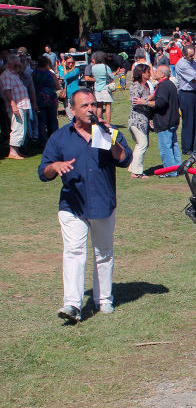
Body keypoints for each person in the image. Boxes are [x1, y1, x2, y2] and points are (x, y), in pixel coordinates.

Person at [38, 88, 133, 322]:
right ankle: (72, 304)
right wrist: (55, 167)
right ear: (72, 110)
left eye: (94, 104)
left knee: (103, 253)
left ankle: (104, 299)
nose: (91, 109)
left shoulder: (106, 131)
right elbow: (43, 171)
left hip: (102, 203)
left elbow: (125, 159)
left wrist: (110, 138)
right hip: (72, 205)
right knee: (74, 252)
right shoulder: (60, 137)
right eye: (85, 106)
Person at [149, 65, 181, 177]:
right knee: (173, 146)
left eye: (156, 71)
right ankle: (178, 168)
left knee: (165, 148)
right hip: (172, 120)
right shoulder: (170, 84)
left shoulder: (163, 86)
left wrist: (145, 103)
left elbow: (160, 103)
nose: (154, 73)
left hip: (164, 121)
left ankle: (170, 171)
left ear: (162, 74)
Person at [1, 56, 31, 159]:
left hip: (22, 105)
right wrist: (13, 104)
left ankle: (16, 150)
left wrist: (20, 69)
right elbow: (7, 90)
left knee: (22, 128)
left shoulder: (14, 74)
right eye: (15, 65)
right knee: (17, 128)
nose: (18, 67)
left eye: (19, 65)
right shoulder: (6, 75)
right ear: (9, 64)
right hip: (16, 105)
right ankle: (13, 151)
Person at [127, 64, 153, 179]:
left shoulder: (147, 85)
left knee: (142, 144)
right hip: (136, 119)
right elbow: (135, 102)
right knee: (142, 144)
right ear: (141, 73)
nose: (149, 74)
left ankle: (135, 169)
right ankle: (136, 172)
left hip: (144, 119)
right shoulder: (136, 86)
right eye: (147, 72)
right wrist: (147, 101)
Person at [175, 45, 196, 155]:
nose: (193, 57)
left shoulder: (193, 62)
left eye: (193, 55)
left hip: (194, 93)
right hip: (185, 94)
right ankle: (186, 148)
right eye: (190, 55)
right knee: (188, 121)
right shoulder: (182, 64)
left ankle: (193, 145)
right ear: (184, 55)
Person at [32, 56, 61, 143]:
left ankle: (42, 141)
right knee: (52, 121)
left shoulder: (34, 74)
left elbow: (31, 86)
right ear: (47, 64)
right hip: (51, 99)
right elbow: (58, 86)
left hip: (39, 100)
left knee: (41, 122)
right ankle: (54, 140)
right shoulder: (50, 74)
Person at [90, 51, 117, 124]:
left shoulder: (93, 67)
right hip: (105, 88)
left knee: (99, 106)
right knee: (108, 106)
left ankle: (99, 122)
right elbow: (111, 76)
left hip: (97, 88)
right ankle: (108, 123)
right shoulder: (105, 67)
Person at [61, 55, 81, 121]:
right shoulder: (64, 70)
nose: (71, 64)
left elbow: (66, 77)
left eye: (72, 62)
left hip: (74, 94)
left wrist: (63, 67)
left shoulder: (76, 70)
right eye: (68, 62)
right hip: (66, 95)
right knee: (70, 116)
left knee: (76, 116)